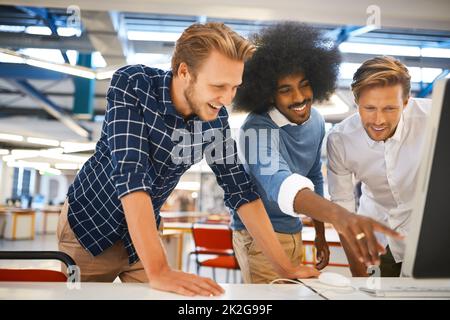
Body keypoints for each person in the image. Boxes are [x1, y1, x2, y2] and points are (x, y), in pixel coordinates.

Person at [57, 22, 322, 297]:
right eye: (219, 85)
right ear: (184, 72)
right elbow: (131, 176)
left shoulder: (215, 119)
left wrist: (284, 268)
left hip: (142, 238)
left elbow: (240, 190)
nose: (228, 99)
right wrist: (159, 271)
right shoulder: (133, 85)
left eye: (234, 87)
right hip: (90, 228)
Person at [232, 23, 402, 283]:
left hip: (293, 229)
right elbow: (278, 182)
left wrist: (319, 233)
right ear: (268, 94)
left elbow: (313, 176)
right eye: (285, 90)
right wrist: (341, 216)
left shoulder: (316, 121)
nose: (299, 97)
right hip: (258, 237)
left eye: (304, 85)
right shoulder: (256, 130)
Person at [327, 56, 431, 277]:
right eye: (370, 108)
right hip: (378, 241)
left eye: (390, 108)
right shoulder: (341, 139)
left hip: (430, 238)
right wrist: (357, 273)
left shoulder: (436, 117)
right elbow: (342, 209)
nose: (379, 120)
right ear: (356, 103)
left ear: (406, 102)